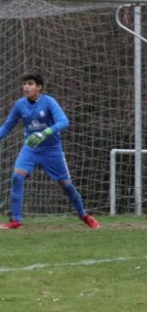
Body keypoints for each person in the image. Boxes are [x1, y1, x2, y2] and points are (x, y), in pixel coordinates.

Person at [0, 74, 100, 230]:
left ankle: (83, 215)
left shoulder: (49, 102)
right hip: (31, 149)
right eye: (24, 84)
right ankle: (16, 220)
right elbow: (7, 127)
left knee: (66, 185)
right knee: (17, 177)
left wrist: (45, 133)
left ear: (39, 87)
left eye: (30, 84)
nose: (26, 87)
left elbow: (64, 122)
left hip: (52, 150)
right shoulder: (20, 105)